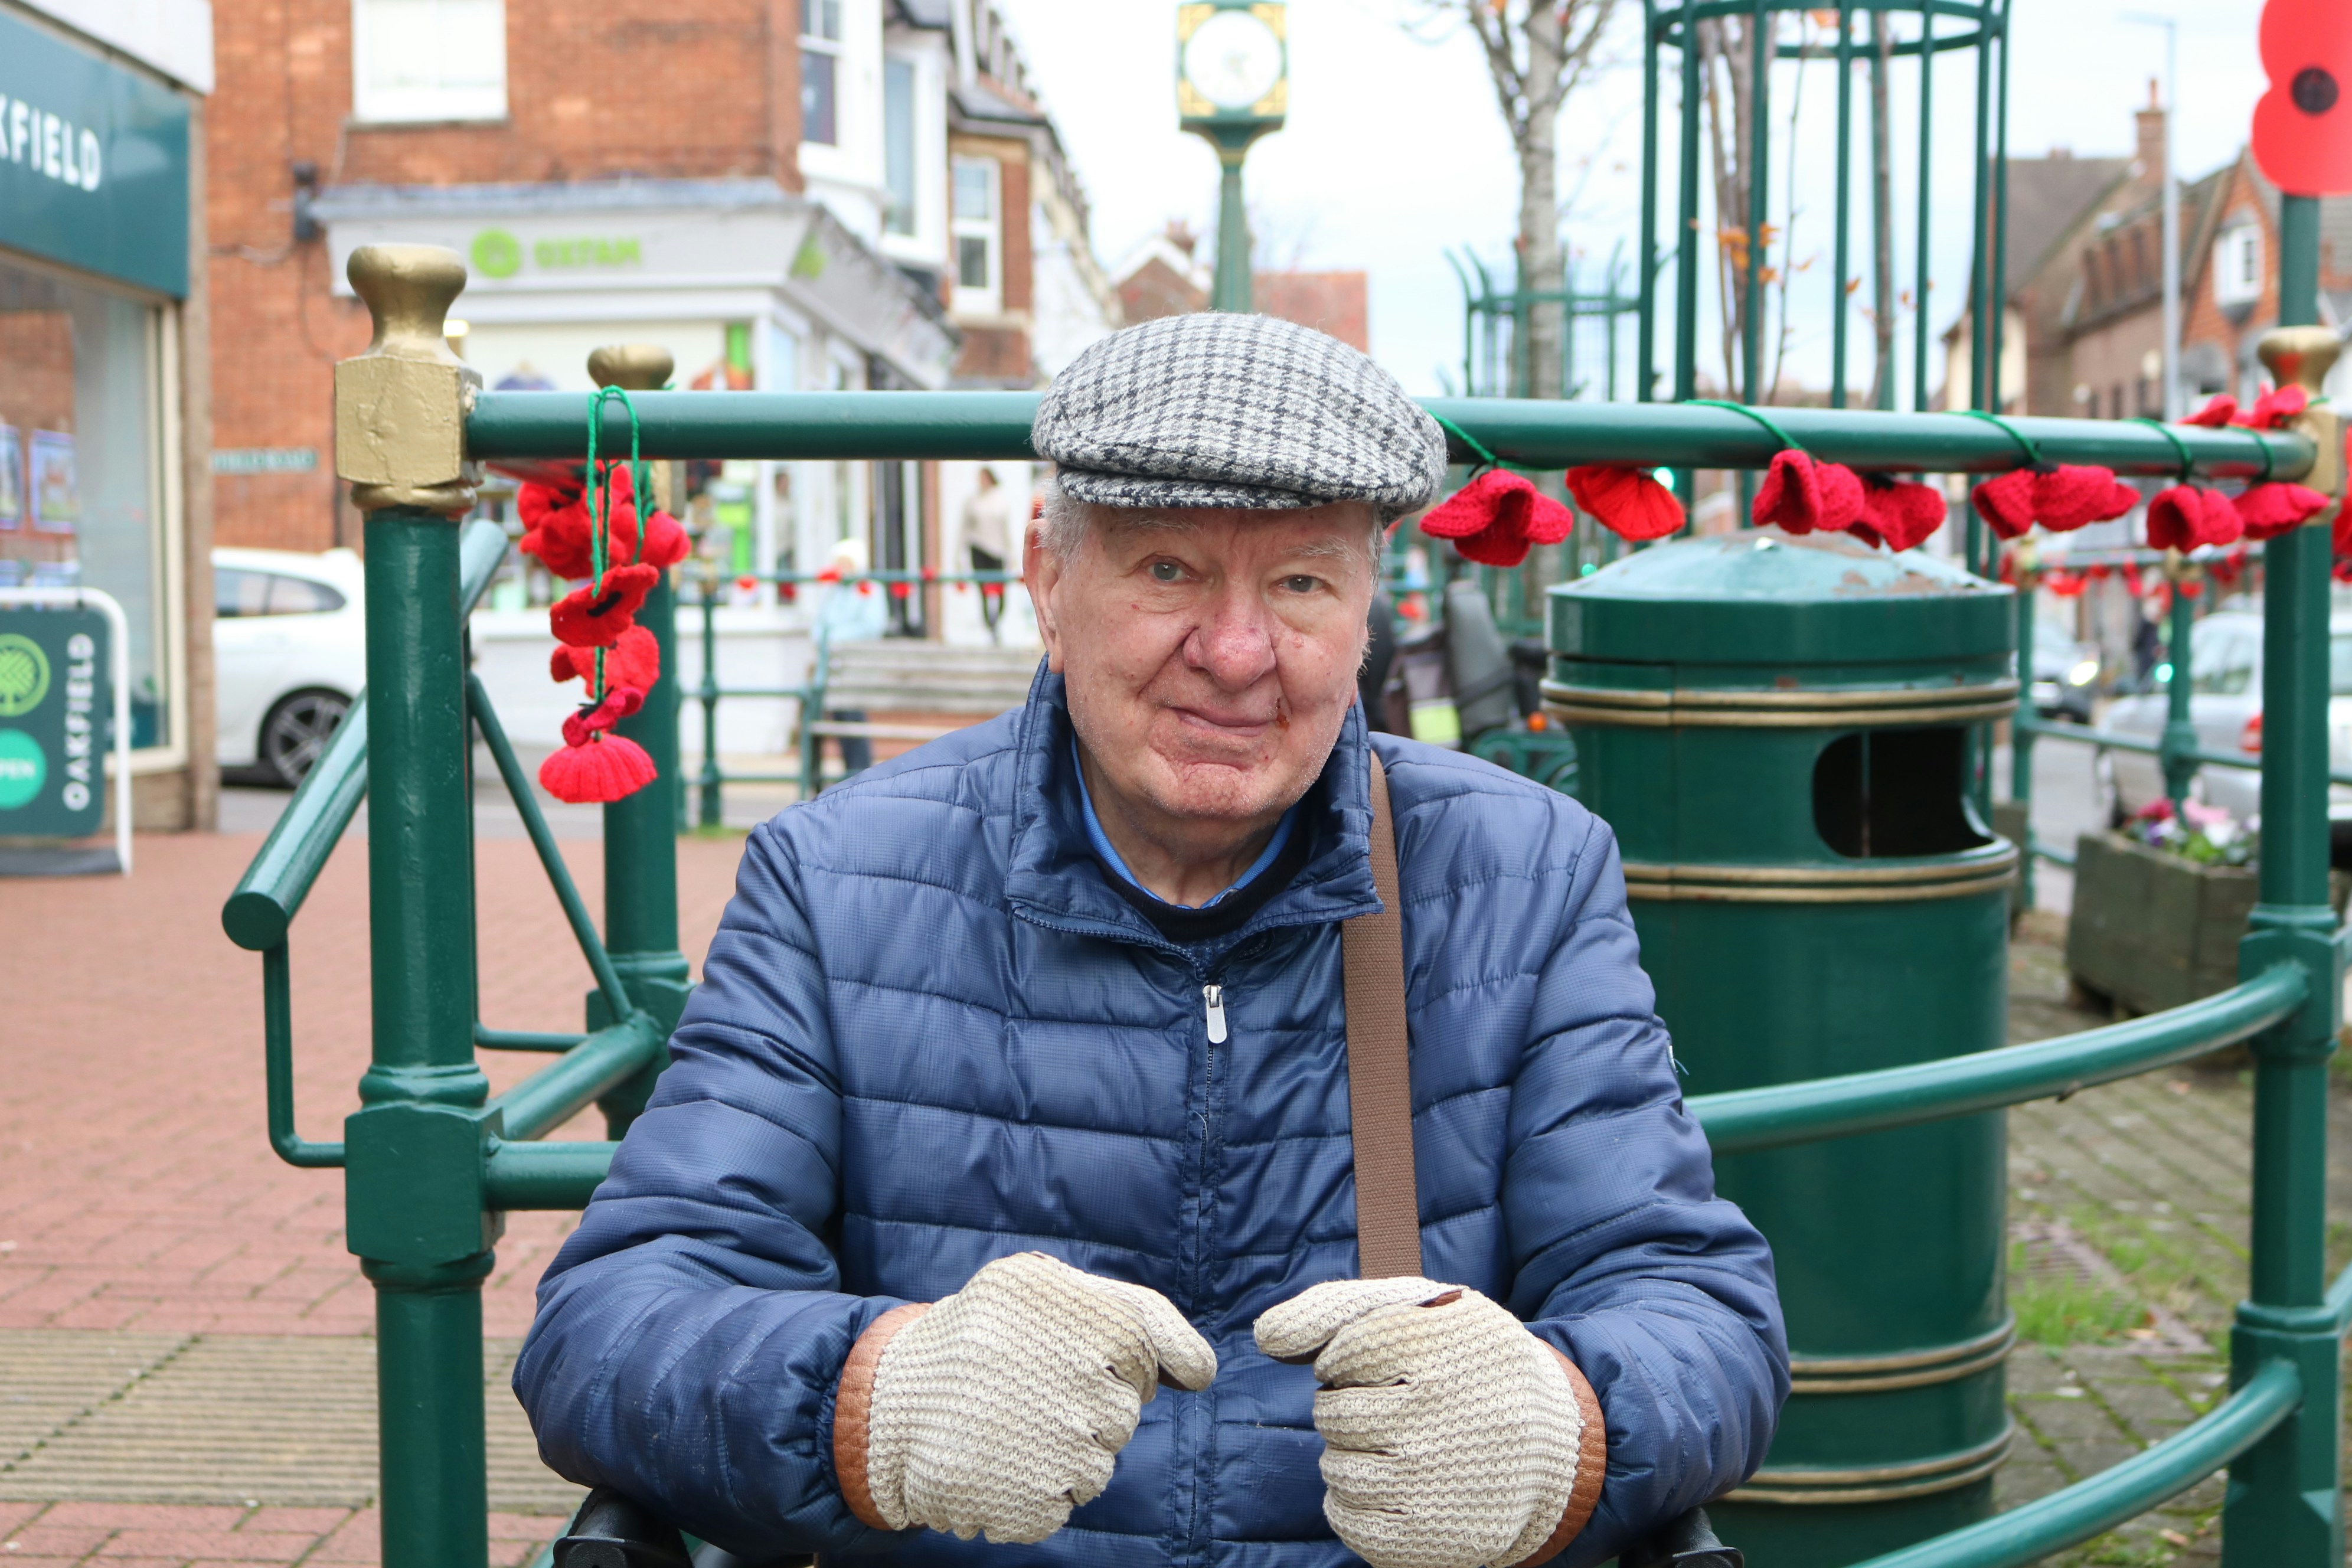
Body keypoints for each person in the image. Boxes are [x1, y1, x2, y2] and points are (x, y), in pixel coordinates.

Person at [515, 313, 1787, 1568]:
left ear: (1366, 613)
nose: (1236, 653)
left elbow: (1700, 1308)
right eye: (1168, 568)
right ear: (1048, 583)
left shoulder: (1525, 872)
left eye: (1300, 581)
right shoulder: (837, 879)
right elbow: (608, 1326)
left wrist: (1569, 1426)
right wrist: (873, 1399)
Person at [815, 536, 888, 777]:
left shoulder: (869, 590)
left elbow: (871, 626)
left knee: (851, 718)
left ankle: (859, 772)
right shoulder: (834, 591)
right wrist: (825, 637)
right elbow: (819, 624)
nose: (843, 569)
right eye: (839, 563)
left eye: (847, 563)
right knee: (816, 713)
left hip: (855, 667)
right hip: (830, 667)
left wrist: (834, 638)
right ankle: (815, 777)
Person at [963, 466, 1013, 641]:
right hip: (978, 548)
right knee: (983, 589)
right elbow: (965, 528)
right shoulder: (973, 500)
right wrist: (959, 555)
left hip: (997, 549)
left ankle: (997, 620)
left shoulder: (1000, 499)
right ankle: (989, 625)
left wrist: (1011, 553)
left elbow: (1005, 528)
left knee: (1000, 588)